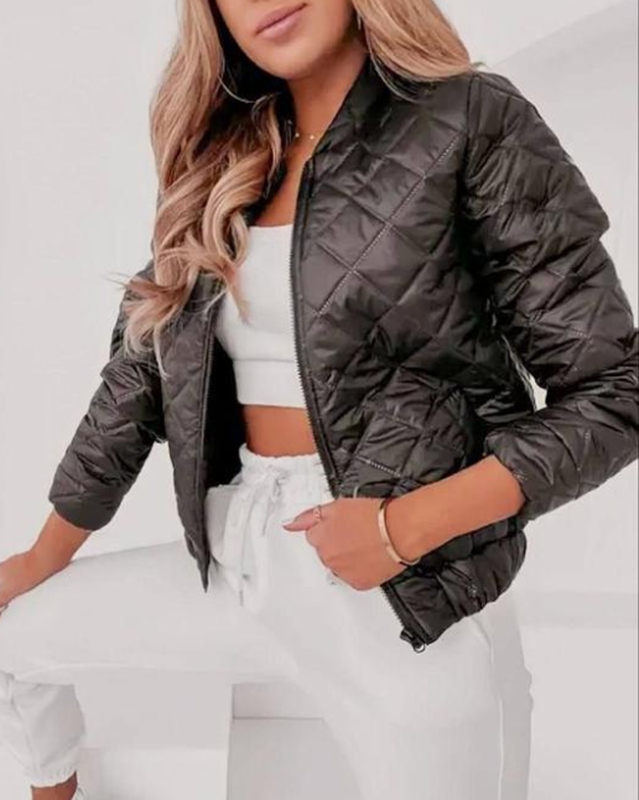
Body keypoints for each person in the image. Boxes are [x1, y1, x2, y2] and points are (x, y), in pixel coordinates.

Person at [1, 1, 637, 799]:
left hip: (400, 590)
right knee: (12, 641)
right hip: (239, 554)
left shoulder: (469, 118)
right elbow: (139, 378)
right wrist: (44, 556)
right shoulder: (226, 155)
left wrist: (400, 529)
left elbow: (615, 393)